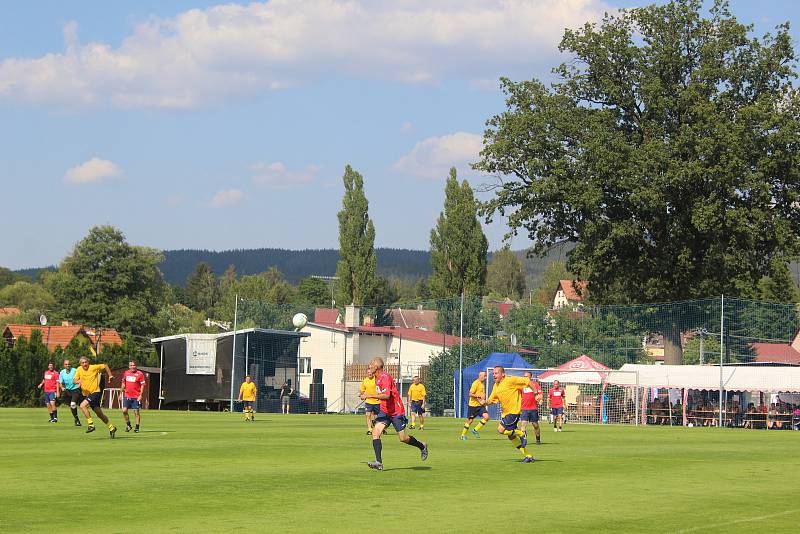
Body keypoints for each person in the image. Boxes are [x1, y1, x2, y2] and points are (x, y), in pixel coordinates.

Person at [360, 357, 427, 471]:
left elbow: (386, 395)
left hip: (396, 412)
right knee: (375, 432)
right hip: (385, 411)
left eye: (371, 365)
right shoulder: (376, 378)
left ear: (376, 367)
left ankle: (422, 446)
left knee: (403, 438)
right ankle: (379, 462)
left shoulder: (385, 377)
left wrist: (369, 396)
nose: (369, 366)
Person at [485, 365, 534, 463]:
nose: (494, 375)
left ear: (503, 374)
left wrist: (536, 393)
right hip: (506, 413)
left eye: (496, 373)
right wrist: (484, 402)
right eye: (493, 373)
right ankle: (528, 456)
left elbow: (527, 381)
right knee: (511, 436)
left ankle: (521, 433)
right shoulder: (496, 386)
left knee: (501, 429)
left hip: (513, 412)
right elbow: (491, 399)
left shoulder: (510, 380)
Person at [72, 356, 117, 438]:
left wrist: (110, 375)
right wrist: (78, 381)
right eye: (83, 363)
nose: (85, 364)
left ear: (88, 362)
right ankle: (111, 427)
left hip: (95, 392)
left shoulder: (93, 368)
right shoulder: (79, 369)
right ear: (80, 364)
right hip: (88, 394)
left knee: (82, 405)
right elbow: (74, 380)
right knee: (100, 414)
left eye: (86, 362)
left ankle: (91, 425)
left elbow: (105, 365)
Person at [460, 370, 490, 440]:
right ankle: (462, 435)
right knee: (470, 421)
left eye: (486, 376)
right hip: (473, 406)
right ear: (480, 376)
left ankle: (475, 430)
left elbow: (482, 394)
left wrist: (483, 400)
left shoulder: (482, 384)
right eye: (484, 376)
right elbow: (470, 394)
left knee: (486, 417)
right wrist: (478, 397)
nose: (485, 378)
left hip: (480, 406)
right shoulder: (475, 383)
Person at [122, 360, 146, 432]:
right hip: (127, 395)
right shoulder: (126, 373)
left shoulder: (140, 374)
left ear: (136, 366)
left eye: (134, 365)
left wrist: (141, 395)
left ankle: (137, 427)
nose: (132, 367)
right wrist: (121, 393)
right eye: (131, 365)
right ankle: (128, 425)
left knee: (136, 412)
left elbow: (142, 385)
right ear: (129, 366)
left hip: (136, 396)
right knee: (124, 410)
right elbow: (123, 383)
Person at [520, 371, 543, 445]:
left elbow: (540, 394)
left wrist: (540, 399)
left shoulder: (535, 384)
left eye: (526, 376)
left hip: (533, 408)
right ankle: (523, 440)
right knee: (523, 424)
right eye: (524, 376)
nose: (525, 378)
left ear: (530, 377)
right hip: (524, 408)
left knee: (535, 425)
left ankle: (538, 439)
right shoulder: (522, 386)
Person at [59, 359, 82, 426]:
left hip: (76, 389)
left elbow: (81, 377)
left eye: (68, 364)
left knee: (72, 404)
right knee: (72, 406)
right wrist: (62, 387)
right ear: (64, 365)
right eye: (66, 364)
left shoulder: (75, 370)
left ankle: (78, 420)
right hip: (68, 391)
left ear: (70, 365)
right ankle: (76, 419)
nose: (67, 365)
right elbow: (60, 382)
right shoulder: (62, 372)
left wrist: (80, 383)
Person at [359, 368, 380, 435]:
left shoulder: (377, 380)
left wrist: (379, 396)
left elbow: (380, 389)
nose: (370, 374)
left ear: (373, 373)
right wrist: (362, 395)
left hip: (377, 401)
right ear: (367, 373)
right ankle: (369, 429)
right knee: (368, 415)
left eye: (371, 372)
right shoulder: (365, 381)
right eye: (368, 372)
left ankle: (381, 428)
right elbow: (362, 391)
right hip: (368, 401)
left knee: (378, 417)